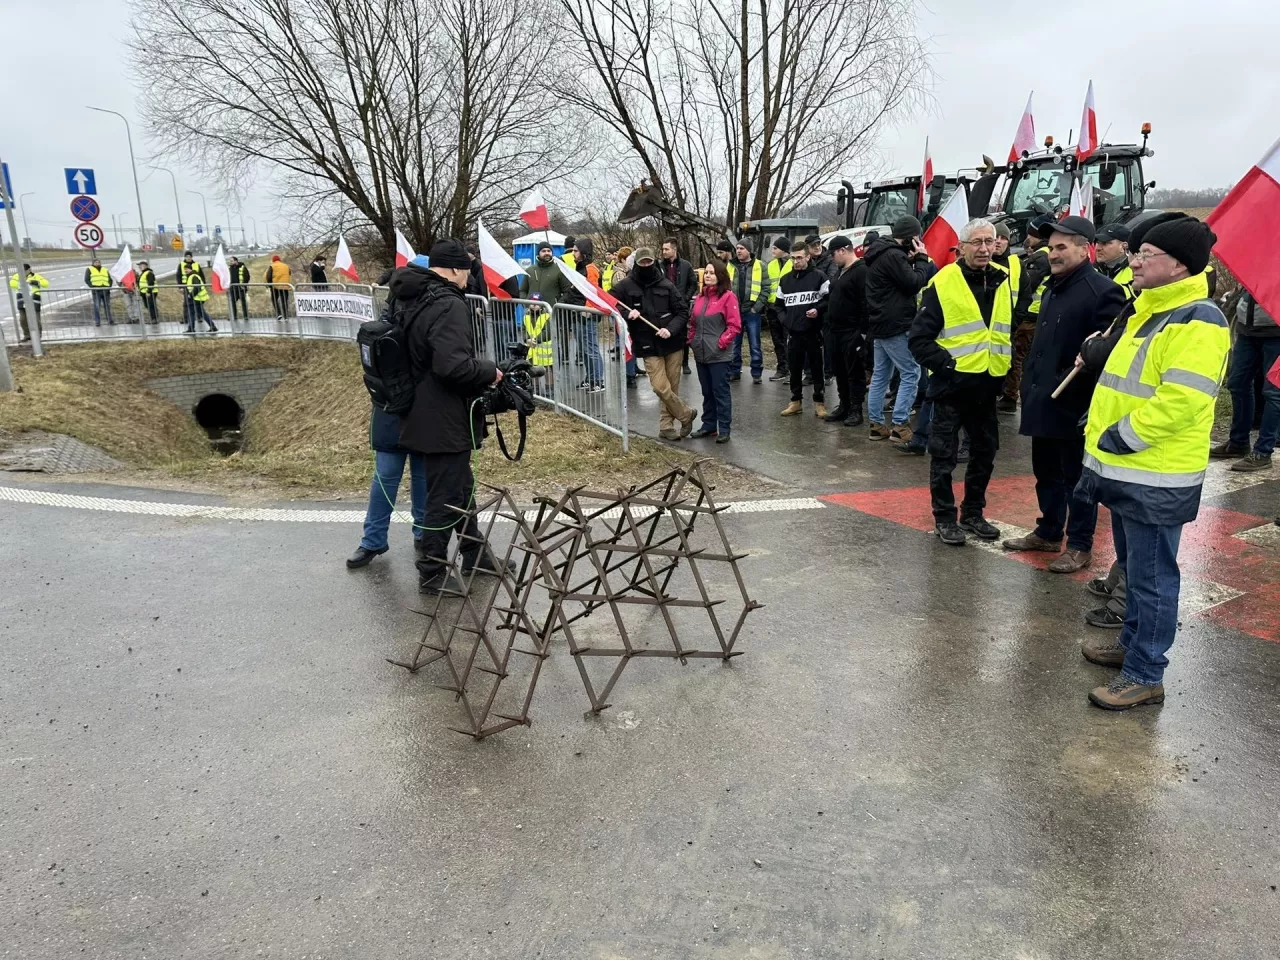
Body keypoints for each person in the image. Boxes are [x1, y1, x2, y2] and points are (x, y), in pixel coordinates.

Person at [1073, 216, 1229, 710]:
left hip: (1154, 471)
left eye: (1147, 254)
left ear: (1180, 266)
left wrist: (1121, 436)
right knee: (1134, 569)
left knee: (1153, 576)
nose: (1134, 261)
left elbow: (1182, 399)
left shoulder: (1197, 318)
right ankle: (1130, 648)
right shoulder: (1151, 310)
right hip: (1127, 468)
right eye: (1136, 252)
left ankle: (1145, 673)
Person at [1001, 216, 1126, 572]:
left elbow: (1107, 350)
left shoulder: (1102, 291)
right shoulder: (1052, 284)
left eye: (1061, 247)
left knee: (1077, 479)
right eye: (1051, 247)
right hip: (1043, 398)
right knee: (1046, 473)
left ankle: (1080, 544)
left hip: (1074, 402)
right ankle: (1049, 530)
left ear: (1084, 248)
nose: (1053, 254)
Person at [393, 238, 508, 595]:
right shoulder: (448, 304)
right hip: (442, 413)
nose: (468, 279)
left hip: (422, 408)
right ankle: (431, 570)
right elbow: (451, 366)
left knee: (460, 485)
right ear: (456, 270)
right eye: (467, 271)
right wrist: (489, 371)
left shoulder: (413, 296)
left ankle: (475, 554)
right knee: (445, 494)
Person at [909, 218, 1012, 546]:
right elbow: (919, 340)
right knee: (944, 455)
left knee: (985, 452)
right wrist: (948, 366)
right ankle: (944, 517)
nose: (984, 248)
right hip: (952, 387)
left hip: (987, 385)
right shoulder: (944, 282)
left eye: (989, 242)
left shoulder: (1003, 280)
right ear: (962, 247)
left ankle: (973, 512)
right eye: (977, 242)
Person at [612, 247, 696, 440]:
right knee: (660, 387)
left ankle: (666, 427)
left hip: (673, 343)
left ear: (654, 262)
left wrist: (671, 329)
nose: (646, 265)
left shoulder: (666, 285)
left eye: (649, 261)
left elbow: (683, 312)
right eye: (642, 262)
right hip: (647, 344)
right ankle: (686, 414)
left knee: (672, 387)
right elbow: (611, 302)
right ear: (637, 264)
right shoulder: (626, 285)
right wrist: (626, 314)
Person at [864, 215, 930, 443]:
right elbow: (913, 283)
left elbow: (897, 280)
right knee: (911, 372)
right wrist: (922, 260)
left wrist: (910, 261)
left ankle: (876, 424)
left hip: (880, 324)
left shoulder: (880, 254)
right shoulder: (893, 256)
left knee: (881, 375)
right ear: (912, 237)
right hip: (896, 324)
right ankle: (900, 425)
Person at [1209, 290, 1279, 472]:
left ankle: (1263, 452)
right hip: (1247, 328)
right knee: (1237, 384)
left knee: (1273, 392)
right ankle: (1238, 442)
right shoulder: (1259, 261)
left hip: (1276, 331)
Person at [999, 214, 1054, 412]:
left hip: (1030, 318)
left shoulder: (1040, 257)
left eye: (1029, 234)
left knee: (1017, 359)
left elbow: (1028, 286)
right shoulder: (1047, 254)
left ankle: (1010, 397)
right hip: (1039, 316)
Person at [687, 260, 741, 443]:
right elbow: (693, 323)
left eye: (712, 272)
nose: (708, 275)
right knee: (707, 391)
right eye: (706, 273)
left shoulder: (728, 297)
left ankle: (724, 427)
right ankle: (708, 425)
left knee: (720, 392)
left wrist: (721, 343)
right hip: (701, 353)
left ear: (720, 275)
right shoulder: (700, 298)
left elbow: (734, 326)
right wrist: (692, 341)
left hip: (718, 355)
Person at [777, 239, 829, 419]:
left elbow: (828, 299)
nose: (796, 261)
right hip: (793, 332)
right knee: (794, 368)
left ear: (808, 257)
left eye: (799, 258)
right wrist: (786, 321)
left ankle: (819, 402)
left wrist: (818, 309)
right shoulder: (785, 280)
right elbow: (778, 306)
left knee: (816, 368)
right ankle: (795, 401)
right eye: (793, 258)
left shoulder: (819, 276)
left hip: (813, 331)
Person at [822, 235, 868, 426]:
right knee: (839, 369)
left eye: (833, 254)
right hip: (835, 330)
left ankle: (856, 409)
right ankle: (844, 405)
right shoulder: (839, 272)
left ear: (842, 250)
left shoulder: (861, 271)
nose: (832, 258)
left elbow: (866, 303)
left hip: (852, 330)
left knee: (854, 371)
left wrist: (862, 333)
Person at [561, 237, 605, 392]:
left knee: (591, 348)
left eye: (575, 250)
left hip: (586, 315)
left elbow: (592, 291)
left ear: (584, 252)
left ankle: (598, 380)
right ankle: (590, 378)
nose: (573, 253)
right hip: (577, 314)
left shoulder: (591, 268)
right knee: (583, 348)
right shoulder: (579, 267)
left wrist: (588, 309)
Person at [727, 239, 768, 384]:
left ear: (749, 250)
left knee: (755, 344)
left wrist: (756, 307)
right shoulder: (730, 266)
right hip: (735, 311)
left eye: (742, 248)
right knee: (734, 344)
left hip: (752, 311)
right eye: (737, 248)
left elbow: (766, 288)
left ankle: (756, 373)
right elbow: (725, 288)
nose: (738, 251)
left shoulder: (760, 265)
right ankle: (734, 371)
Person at [660, 238, 698, 374]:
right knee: (664, 332)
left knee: (682, 335)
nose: (663, 252)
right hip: (664, 307)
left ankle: (685, 363)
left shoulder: (685, 265)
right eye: (663, 249)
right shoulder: (659, 266)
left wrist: (685, 298)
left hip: (681, 307)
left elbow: (693, 283)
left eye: (666, 249)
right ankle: (666, 362)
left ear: (674, 250)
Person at [765, 237, 793, 382]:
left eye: (775, 248)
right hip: (772, 308)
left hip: (788, 309)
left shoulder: (793, 264)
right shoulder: (771, 265)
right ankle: (782, 369)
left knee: (788, 340)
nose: (773, 250)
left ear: (783, 250)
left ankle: (792, 370)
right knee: (777, 341)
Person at [9, 263, 49, 341]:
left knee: (36, 319)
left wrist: (37, 282)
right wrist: (22, 284)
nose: (22, 272)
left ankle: (38, 335)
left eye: (24, 271)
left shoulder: (36, 276)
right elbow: (12, 284)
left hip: (34, 300)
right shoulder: (16, 276)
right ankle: (27, 335)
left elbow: (46, 284)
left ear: (29, 270)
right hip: (22, 300)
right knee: (23, 319)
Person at [1095, 223, 1135, 299]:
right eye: (1097, 242)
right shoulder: (1091, 270)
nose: (1098, 248)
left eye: (1105, 243)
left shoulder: (1136, 273)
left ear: (1124, 246)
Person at [184, 266, 218, 333]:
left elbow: (197, 287)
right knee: (201, 313)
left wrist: (190, 295)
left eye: (186, 269)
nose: (185, 271)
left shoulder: (193, 276)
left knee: (192, 313)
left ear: (190, 269)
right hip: (197, 298)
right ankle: (212, 326)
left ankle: (191, 328)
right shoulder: (193, 276)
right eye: (184, 269)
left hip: (196, 298)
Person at [85, 257, 114, 326]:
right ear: (93, 263)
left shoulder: (104, 269)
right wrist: (93, 287)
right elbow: (87, 279)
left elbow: (110, 279)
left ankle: (110, 320)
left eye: (98, 262)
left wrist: (109, 287)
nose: (97, 263)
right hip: (96, 291)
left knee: (107, 306)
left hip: (105, 290)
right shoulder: (89, 269)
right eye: (96, 262)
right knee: (97, 306)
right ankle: (97, 321)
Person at [265, 254, 292, 320]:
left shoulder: (272, 266)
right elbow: (289, 273)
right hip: (285, 285)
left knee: (274, 299)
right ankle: (286, 316)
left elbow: (268, 276)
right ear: (279, 260)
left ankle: (279, 314)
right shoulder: (286, 265)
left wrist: (269, 285)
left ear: (273, 260)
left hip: (275, 286)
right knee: (284, 301)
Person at [227, 256, 251, 321]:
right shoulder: (230, 269)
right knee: (233, 303)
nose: (230, 262)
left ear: (236, 261)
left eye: (232, 261)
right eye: (230, 261)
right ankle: (234, 316)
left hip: (241, 288)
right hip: (233, 288)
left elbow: (247, 276)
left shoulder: (242, 267)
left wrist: (244, 284)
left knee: (243, 302)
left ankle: (245, 316)